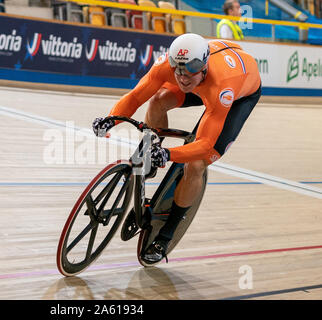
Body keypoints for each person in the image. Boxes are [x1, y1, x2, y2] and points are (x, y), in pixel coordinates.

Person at [92, 33, 261, 264]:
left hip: (239, 94)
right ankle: (151, 157)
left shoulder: (223, 85)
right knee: (157, 101)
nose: (182, 76)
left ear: (203, 65)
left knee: (196, 164)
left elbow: (204, 146)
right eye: (178, 69)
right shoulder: (169, 67)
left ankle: (167, 233)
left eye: (191, 68)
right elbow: (135, 97)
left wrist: (169, 154)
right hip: (207, 79)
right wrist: (112, 118)